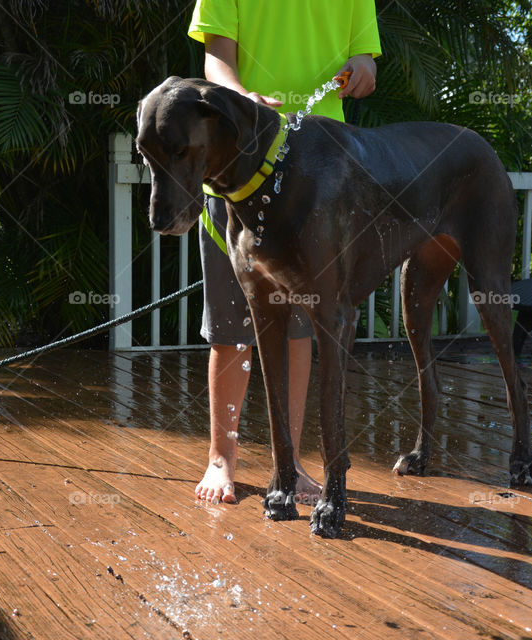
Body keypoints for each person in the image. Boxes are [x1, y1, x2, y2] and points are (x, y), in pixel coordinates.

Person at [188, 0, 381, 504]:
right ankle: (220, 460)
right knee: (232, 330)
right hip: (238, 166)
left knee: (300, 328)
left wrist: (363, 69)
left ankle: (288, 462)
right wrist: (238, 99)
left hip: (321, 180)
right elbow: (216, 60)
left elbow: (367, 61)